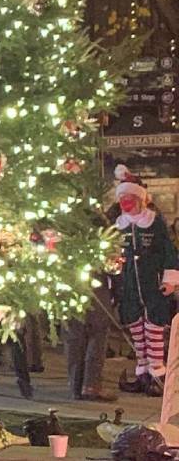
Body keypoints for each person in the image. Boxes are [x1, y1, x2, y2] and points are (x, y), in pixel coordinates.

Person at [112, 166, 179, 397]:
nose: (125, 203)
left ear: (139, 199)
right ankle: (142, 373)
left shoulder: (154, 222)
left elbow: (169, 251)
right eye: (122, 199)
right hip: (130, 285)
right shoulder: (119, 225)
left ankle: (157, 375)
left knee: (154, 328)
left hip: (153, 282)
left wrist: (171, 279)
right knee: (136, 327)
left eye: (129, 198)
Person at [65, 271, 116, 401]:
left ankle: (75, 385)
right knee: (98, 333)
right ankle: (91, 385)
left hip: (69, 282)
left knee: (76, 334)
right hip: (95, 283)